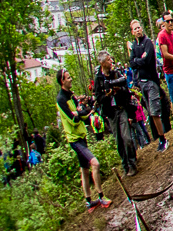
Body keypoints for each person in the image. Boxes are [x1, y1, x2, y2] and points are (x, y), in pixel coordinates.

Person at [56, 71, 109, 211]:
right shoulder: (61, 100)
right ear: (62, 81)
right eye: (68, 77)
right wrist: (80, 113)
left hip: (82, 135)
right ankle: (101, 197)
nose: (71, 79)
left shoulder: (71, 96)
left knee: (84, 170)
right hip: (74, 139)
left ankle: (88, 201)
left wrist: (80, 112)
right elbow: (73, 120)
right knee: (95, 163)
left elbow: (84, 114)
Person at [128, 19, 170, 153]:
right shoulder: (134, 45)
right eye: (135, 29)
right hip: (141, 83)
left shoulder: (147, 43)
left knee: (154, 111)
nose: (138, 30)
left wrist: (138, 60)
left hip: (151, 81)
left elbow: (147, 60)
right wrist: (138, 59)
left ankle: (163, 138)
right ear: (132, 31)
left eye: (139, 27)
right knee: (150, 112)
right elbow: (132, 63)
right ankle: (158, 137)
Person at [94, 53, 136, 178]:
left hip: (121, 108)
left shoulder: (116, 73)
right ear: (102, 63)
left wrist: (118, 90)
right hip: (111, 113)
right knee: (119, 141)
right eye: (108, 60)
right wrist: (107, 94)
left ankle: (133, 163)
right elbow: (98, 98)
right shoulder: (99, 79)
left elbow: (126, 90)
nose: (111, 61)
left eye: (111, 58)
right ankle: (125, 166)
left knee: (127, 138)